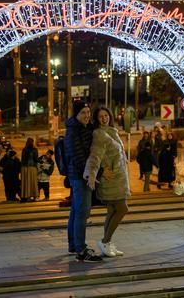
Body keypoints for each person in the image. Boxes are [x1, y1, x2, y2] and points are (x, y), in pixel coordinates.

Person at [84, 107, 130, 258]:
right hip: (111, 180)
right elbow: (95, 156)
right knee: (122, 209)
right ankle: (105, 241)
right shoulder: (99, 134)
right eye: (100, 116)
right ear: (96, 119)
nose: (104, 118)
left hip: (118, 178)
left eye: (106, 115)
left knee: (112, 210)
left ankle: (107, 244)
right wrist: (93, 173)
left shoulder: (112, 131)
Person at [65, 100, 102, 262]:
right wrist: (90, 174)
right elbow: (78, 157)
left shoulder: (85, 128)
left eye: (88, 112)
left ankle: (74, 244)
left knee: (75, 210)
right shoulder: (73, 131)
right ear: (76, 114)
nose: (87, 115)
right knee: (82, 212)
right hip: (80, 176)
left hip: (81, 175)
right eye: (83, 113)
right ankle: (81, 249)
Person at [20, 137, 39, 202]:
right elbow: (36, 159)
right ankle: (34, 196)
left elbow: (22, 159)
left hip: (24, 168)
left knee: (26, 183)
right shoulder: (34, 150)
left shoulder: (24, 149)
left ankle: (26, 196)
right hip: (32, 168)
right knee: (33, 183)